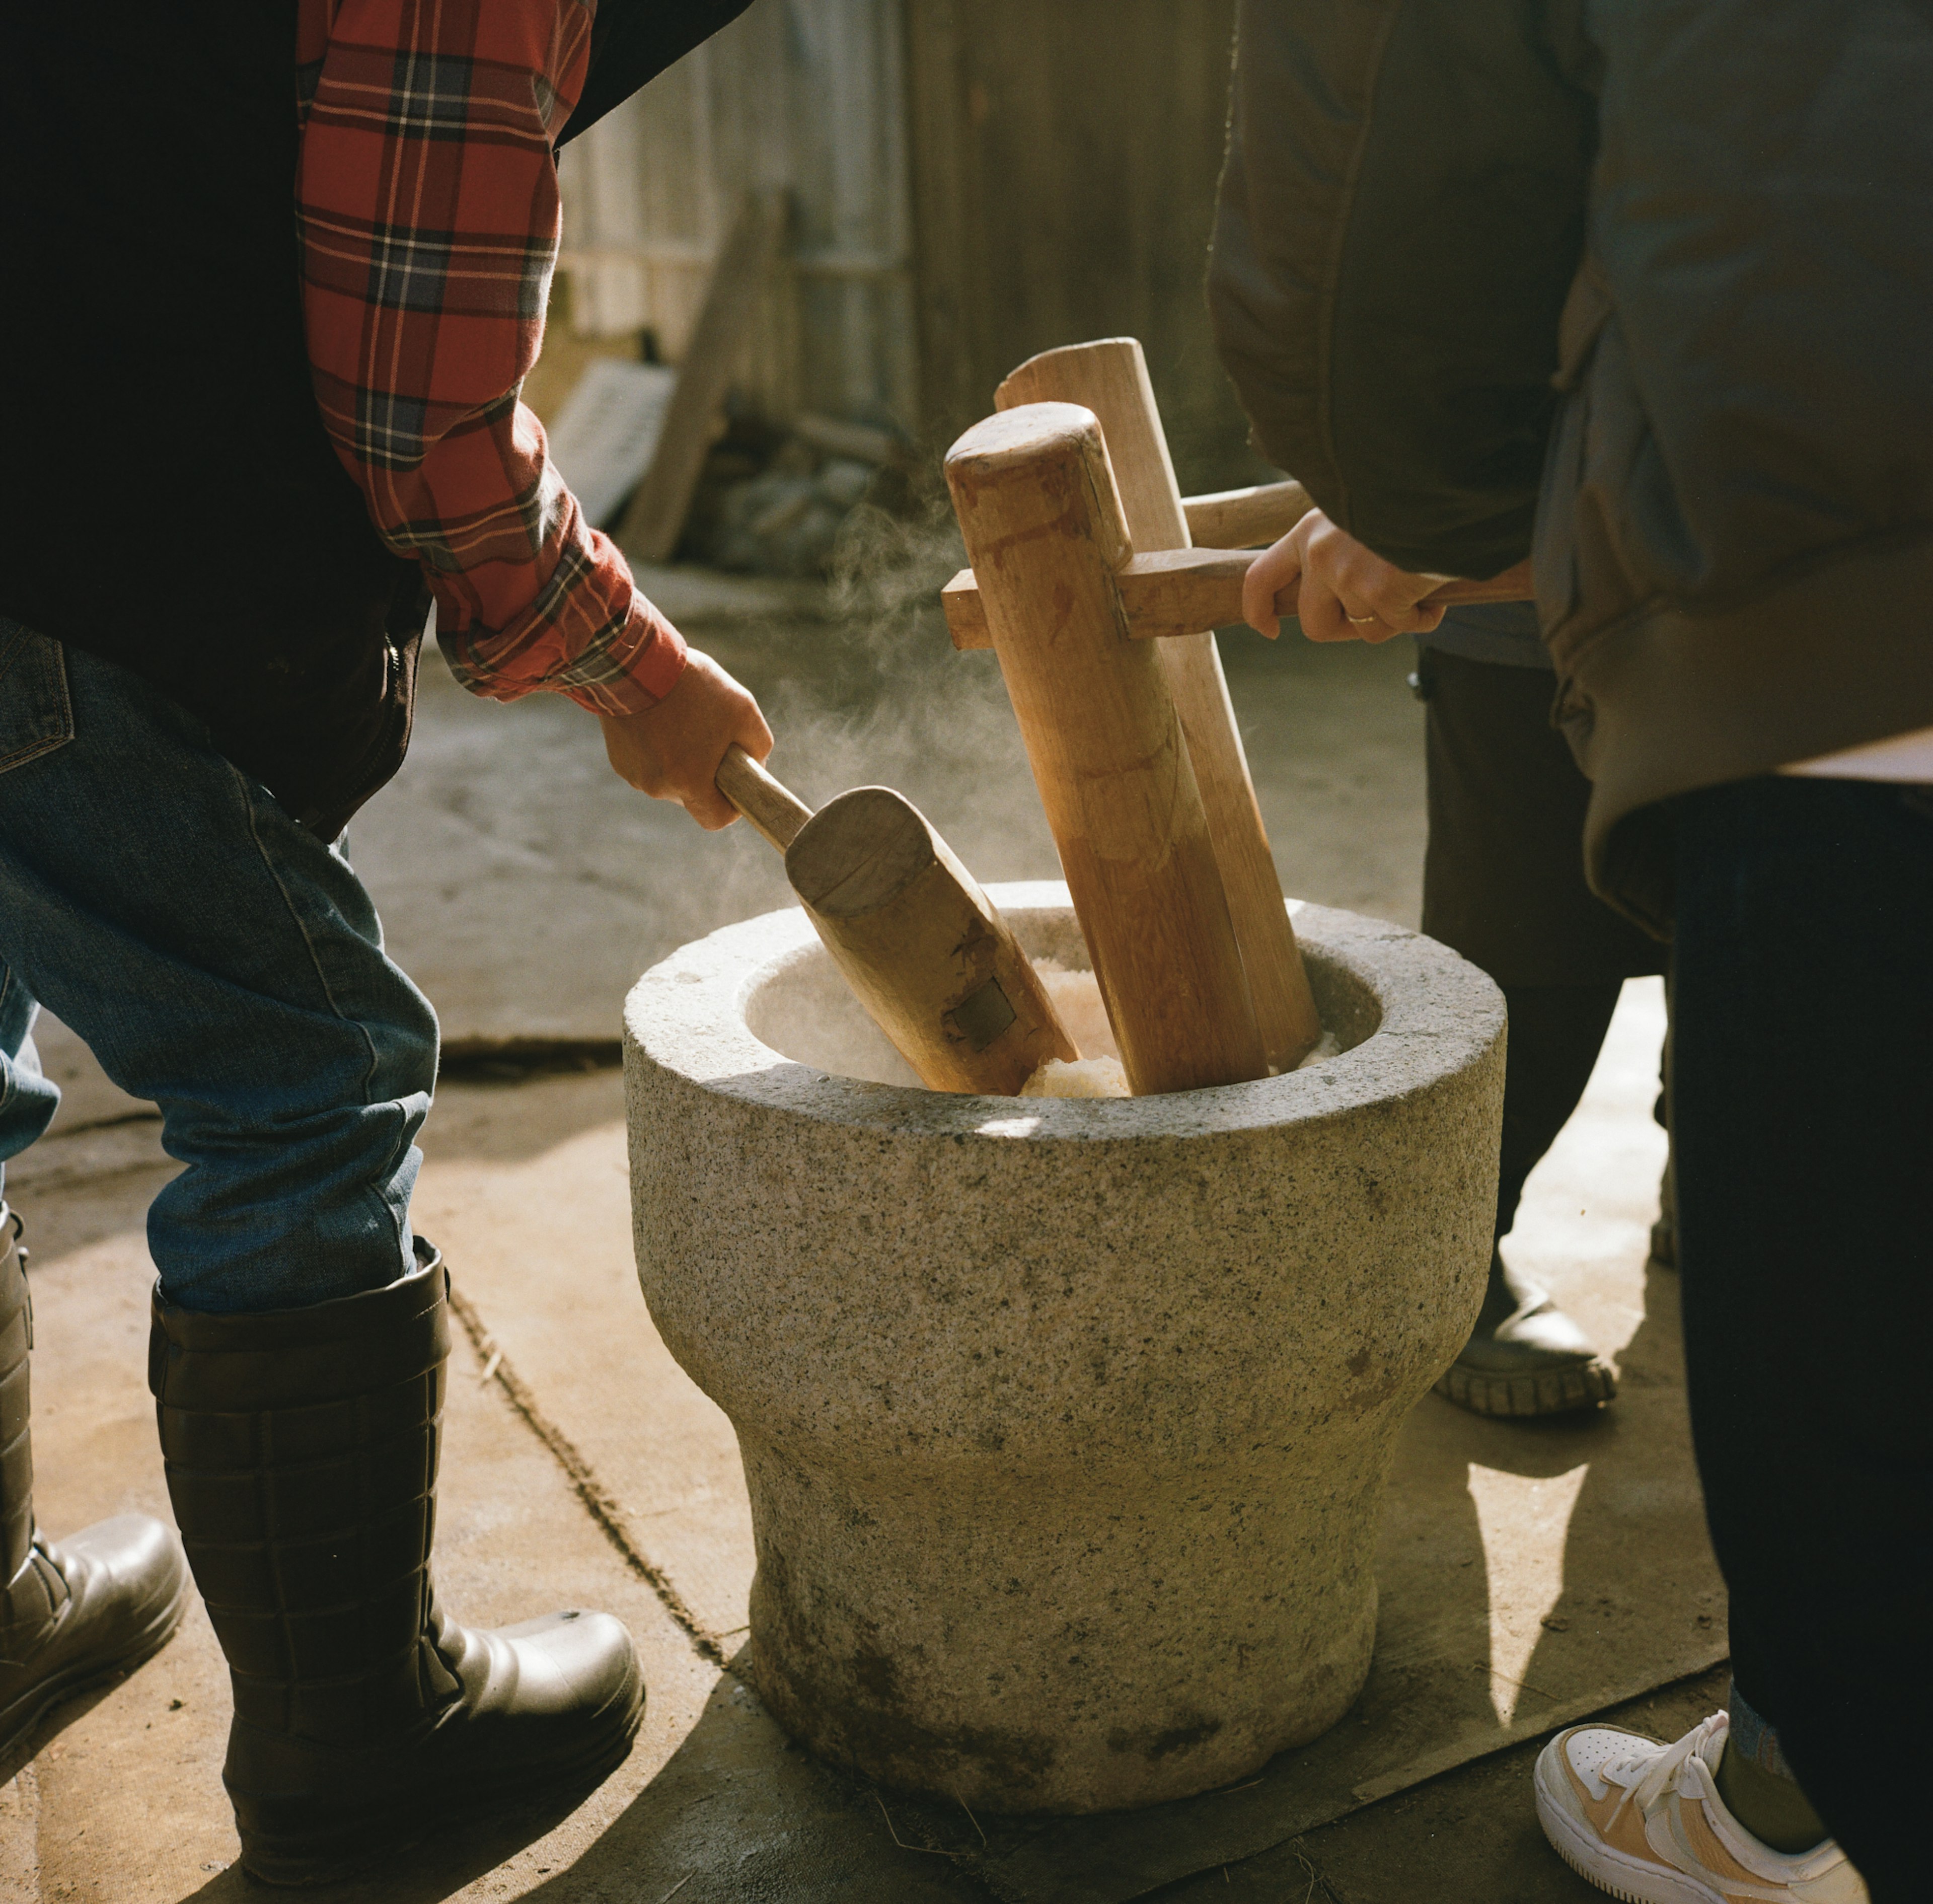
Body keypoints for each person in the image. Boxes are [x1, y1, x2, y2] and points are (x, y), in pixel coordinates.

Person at [1, 0, 764, 1883]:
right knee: (306, 1074)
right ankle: (363, 1743)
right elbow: (423, 422)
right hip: (55, 552)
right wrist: (629, 669)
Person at [1208, 3, 1931, 1900]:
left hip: (1842, 651)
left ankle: (1795, 1783)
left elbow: (1378, 182)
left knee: (1845, 1421)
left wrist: (1433, 500)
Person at [1242, 512, 1667, 1420]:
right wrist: (1415, 502)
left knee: (1763, 931)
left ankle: (1724, 1166)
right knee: (1532, 955)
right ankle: (1455, 1255)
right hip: (1528, 604)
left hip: (1787, 594)